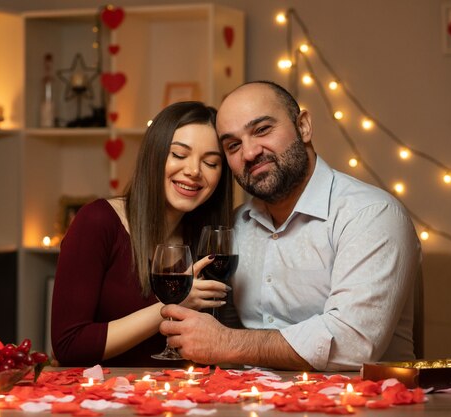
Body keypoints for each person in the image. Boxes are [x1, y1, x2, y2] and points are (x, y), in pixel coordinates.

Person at [160, 81, 421, 371]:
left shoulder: (369, 214)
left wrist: (226, 343)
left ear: (304, 127)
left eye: (261, 130)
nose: (249, 153)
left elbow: (354, 343)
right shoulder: (234, 226)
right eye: (233, 145)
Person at [51, 101, 233, 366]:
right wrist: (169, 307)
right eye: (179, 155)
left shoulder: (208, 242)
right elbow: (69, 346)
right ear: (154, 155)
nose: (194, 171)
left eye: (211, 162)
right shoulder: (98, 221)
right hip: (104, 401)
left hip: (183, 400)